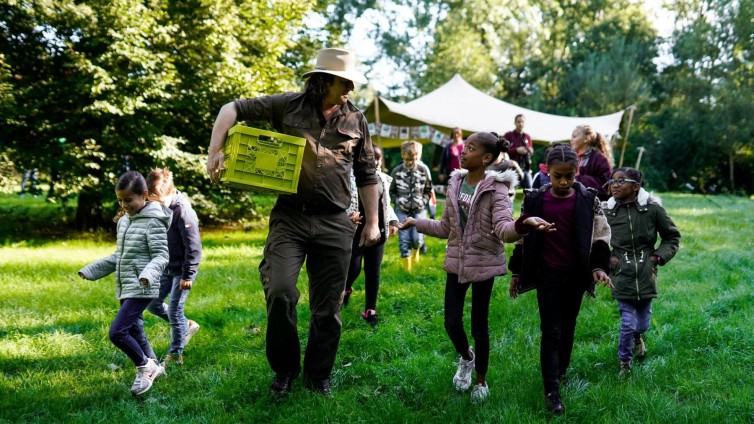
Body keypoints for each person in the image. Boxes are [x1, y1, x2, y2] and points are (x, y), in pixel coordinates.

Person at [206, 48, 381, 397]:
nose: (350, 87)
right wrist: (215, 150)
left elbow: (367, 174)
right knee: (281, 292)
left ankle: (318, 376)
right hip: (290, 218)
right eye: (344, 81)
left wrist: (373, 222)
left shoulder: (356, 120)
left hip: (335, 222)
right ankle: (285, 370)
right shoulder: (287, 105)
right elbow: (232, 109)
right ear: (324, 80)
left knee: (328, 308)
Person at [401, 132, 552, 404]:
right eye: (464, 146)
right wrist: (416, 222)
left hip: (484, 262)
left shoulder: (498, 189)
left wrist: (522, 225)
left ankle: (481, 380)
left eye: (470, 148)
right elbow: (446, 227)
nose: (463, 151)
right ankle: (466, 358)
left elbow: (504, 229)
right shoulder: (455, 184)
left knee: (480, 326)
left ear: (486, 158)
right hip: (457, 261)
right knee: (451, 322)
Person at [508, 143, 613, 415]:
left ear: (577, 173)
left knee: (568, 328)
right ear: (547, 172)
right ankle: (551, 390)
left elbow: (601, 236)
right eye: (558, 176)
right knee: (551, 331)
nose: (564, 181)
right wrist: (517, 273)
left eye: (569, 176)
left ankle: (562, 371)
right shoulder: (534, 200)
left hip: (576, 276)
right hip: (548, 276)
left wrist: (598, 267)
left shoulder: (589, 200)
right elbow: (522, 238)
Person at [77, 171, 171, 396]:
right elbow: (119, 256)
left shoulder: (154, 221)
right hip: (126, 285)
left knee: (117, 332)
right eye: (120, 200)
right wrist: (92, 270)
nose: (124, 205)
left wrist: (148, 274)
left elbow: (161, 256)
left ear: (144, 195)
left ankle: (144, 366)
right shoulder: (125, 222)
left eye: (128, 200)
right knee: (136, 331)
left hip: (143, 285)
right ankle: (156, 367)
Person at [601, 167, 681, 379]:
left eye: (621, 181)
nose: (614, 185)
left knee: (642, 323)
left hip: (646, 273)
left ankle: (638, 338)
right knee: (628, 322)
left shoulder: (653, 210)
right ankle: (624, 363)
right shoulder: (606, 211)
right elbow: (595, 240)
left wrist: (657, 257)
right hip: (621, 274)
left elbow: (672, 237)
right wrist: (607, 259)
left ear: (636, 187)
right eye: (612, 181)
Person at [145, 168, 203, 367]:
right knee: (152, 303)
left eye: (158, 202)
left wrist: (188, 275)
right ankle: (187, 326)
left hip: (182, 270)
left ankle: (175, 354)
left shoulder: (183, 212)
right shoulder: (155, 207)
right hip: (166, 266)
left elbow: (193, 247)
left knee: (175, 309)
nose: (154, 206)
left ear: (170, 193)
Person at [343, 146, 399, 325]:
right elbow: (343, 201)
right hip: (357, 229)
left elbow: (386, 203)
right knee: (354, 267)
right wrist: (348, 215)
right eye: (370, 157)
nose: (374, 161)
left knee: (373, 270)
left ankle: (370, 309)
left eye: (377, 158)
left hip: (378, 230)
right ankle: (345, 289)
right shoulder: (349, 177)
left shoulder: (383, 179)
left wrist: (393, 221)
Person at [390, 140, 433, 271]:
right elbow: (391, 190)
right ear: (402, 155)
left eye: (414, 159)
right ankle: (407, 271)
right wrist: (397, 201)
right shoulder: (397, 171)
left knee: (417, 239)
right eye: (408, 159)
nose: (411, 162)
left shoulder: (423, 170)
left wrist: (424, 202)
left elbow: (428, 189)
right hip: (402, 210)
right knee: (404, 240)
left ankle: (416, 253)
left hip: (419, 210)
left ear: (418, 156)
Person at [570, 125, 612, 200]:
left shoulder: (599, 159)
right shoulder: (571, 157)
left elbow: (607, 186)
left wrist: (580, 179)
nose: (571, 140)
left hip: (591, 204)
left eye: (574, 136)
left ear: (586, 139)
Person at [503, 114, 534, 189]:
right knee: (509, 192)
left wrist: (530, 150)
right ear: (515, 123)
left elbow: (531, 152)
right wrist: (516, 150)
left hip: (525, 169)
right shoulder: (508, 135)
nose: (520, 124)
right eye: (518, 122)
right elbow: (503, 151)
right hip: (511, 169)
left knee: (530, 190)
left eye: (522, 122)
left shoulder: (527, 137)